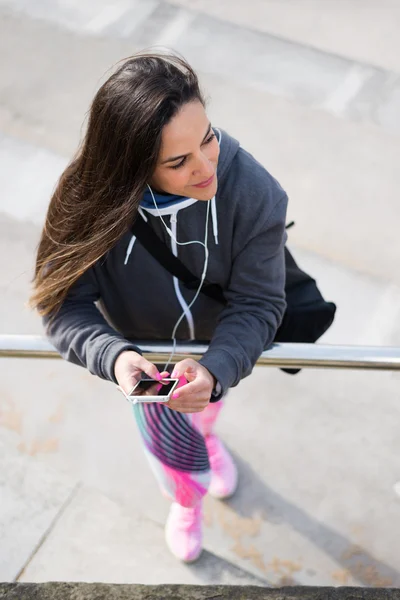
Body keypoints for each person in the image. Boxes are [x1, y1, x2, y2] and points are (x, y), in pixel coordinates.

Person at [30, 51, 288, 563]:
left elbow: (259, 302)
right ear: (129, 167)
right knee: (174, 450)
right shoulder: (88, 198)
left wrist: (215, 371)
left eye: (207, 137)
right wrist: (116, 358)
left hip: (218, 347)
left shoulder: (255, 191)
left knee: (208, 406)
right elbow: (62, 305)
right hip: (144, 357)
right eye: (178, 161)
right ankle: (186, 500)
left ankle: (208, 438)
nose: (207, 166)